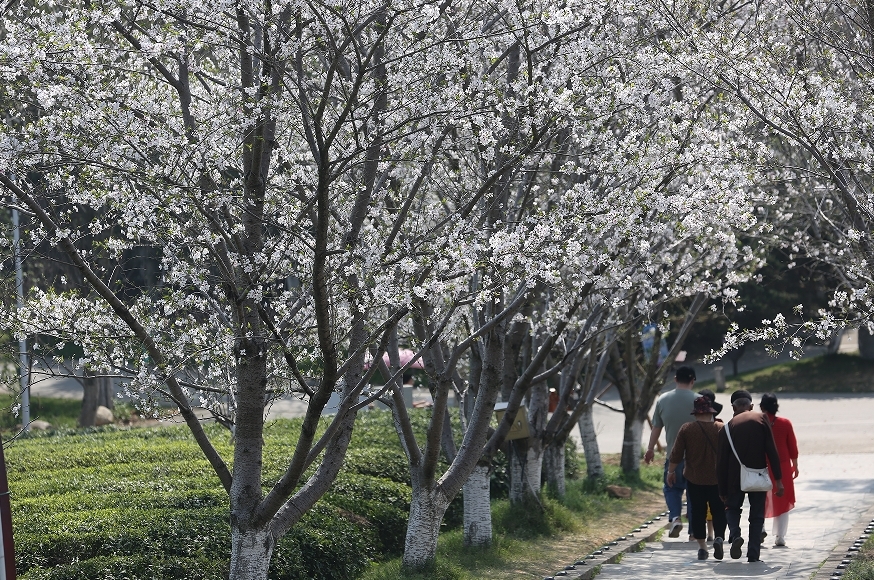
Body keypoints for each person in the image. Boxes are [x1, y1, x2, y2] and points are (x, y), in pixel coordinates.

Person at [717, 390, 785, 563]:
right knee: (756, 515)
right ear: (751, 406)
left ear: (733, 408)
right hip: (757, 475)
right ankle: (753, 555)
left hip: (733, 477)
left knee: (732, 508)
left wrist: (722, 489)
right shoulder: (761, 419)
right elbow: (771, 450)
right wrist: (778, 479)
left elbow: (721, 462)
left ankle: (735, 534)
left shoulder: (725, 428)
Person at [667, 396, 727, 560]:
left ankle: (702, 548)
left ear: (695, 413)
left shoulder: (687, 429)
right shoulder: (721, 428)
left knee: (698, 513)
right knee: (719, 511)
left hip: (695, 479)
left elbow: (676, 454)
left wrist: (671, 472)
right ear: (711, 411)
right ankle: (719, 538)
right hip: (718, 480)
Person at [644, 366, 698, 538]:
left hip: (673, 457)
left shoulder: (663, 400)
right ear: (693, 381)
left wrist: (650, 449)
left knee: (671, 488)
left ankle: (675, 517)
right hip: (695, 459)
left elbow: (656, 428)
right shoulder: (700, 400)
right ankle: (694, 529)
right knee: (694, 491)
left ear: (675, 379)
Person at [760, 393, 799, 547]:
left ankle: (760, 529)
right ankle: (780, 536)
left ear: (762, 407)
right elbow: (792, 446)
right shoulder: (785, 423)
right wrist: (795, 465)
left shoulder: (758, 423)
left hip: (761, 465)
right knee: (783, 500)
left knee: (760, 499)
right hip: (782, 465)